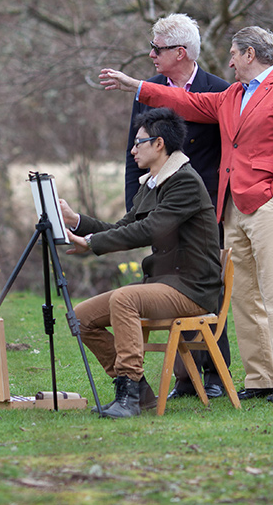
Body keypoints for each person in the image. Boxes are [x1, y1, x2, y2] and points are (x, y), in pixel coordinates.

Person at [99, 26, 273, 403]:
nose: (229, 61)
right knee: (245, 295)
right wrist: (136, 86)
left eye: (234, 54)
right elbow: (186, 104)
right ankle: (262, 378)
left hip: (266, 204)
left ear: (250, 55)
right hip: (231, 207)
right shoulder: (231, 95)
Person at [60, 107, 222, 418]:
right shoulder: (153, 184)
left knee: (125, 297)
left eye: (139, 142)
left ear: (159, 144)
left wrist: (91, 244)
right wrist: (77, 222)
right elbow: (124, 228)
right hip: (164, 284)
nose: (133, 150)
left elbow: (150, 229)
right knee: (80, 318)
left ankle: (129, 393)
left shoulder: (184, 182)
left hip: (191, 288)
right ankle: (142, 393)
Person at [123, 14, 233, 403]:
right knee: (169, 289)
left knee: (208, 289)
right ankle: (185, 379)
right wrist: (134, 209)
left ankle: (217, 372)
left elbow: (226, 154)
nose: (151, 54)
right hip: (160, 213)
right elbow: (133, 153)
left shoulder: (220, 91)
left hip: (203, 212)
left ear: (180, 52)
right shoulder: (148, 90)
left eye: (157, 48)